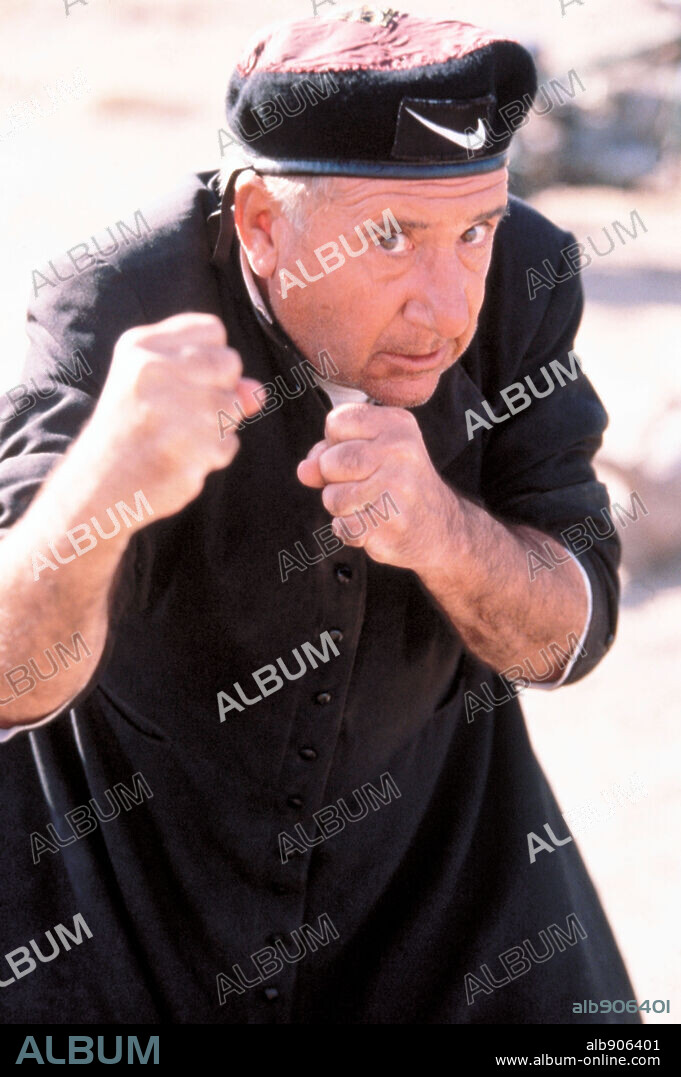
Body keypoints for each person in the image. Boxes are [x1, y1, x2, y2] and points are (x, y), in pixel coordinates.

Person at [0, 6, 638, 1024]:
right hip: (119, 898)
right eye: (392, 237)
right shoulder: (116, 301)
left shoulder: (524, 278)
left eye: (473, 228)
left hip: (442, 894)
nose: (445, 305)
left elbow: (573, 633)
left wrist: (442, 531)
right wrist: (100, 493)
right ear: (261, 224)